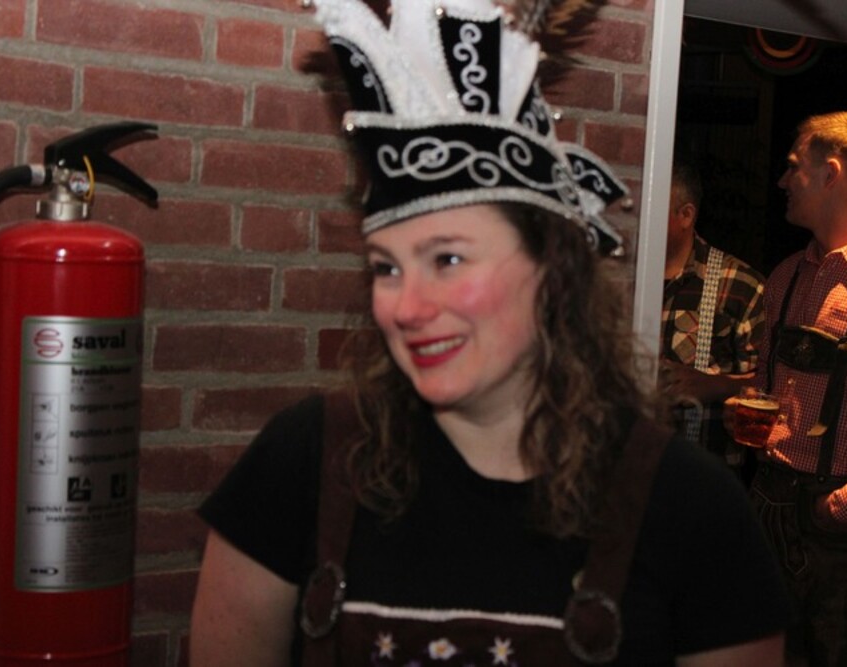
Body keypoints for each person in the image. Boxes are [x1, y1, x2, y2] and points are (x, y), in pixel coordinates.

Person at [190, 0, 788, 664]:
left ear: (552, 271)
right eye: (386, 267)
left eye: (448, 259)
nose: (406, 307)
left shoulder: (692, 510)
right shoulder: (303, 462)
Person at [747, 110, 847, 666]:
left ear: (830, 173)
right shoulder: (787, 275)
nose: (782, 181)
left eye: (794, 167)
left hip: (843, 531)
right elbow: (769, 387)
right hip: (769, 503)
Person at [659, 154, 766, 475]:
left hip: (707, 478)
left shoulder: (740, 285)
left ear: (686, 215)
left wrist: (714, 385)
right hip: (628, 474)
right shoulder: (621, 276)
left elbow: (771, 385)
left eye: (652, 207)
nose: (639, 216)